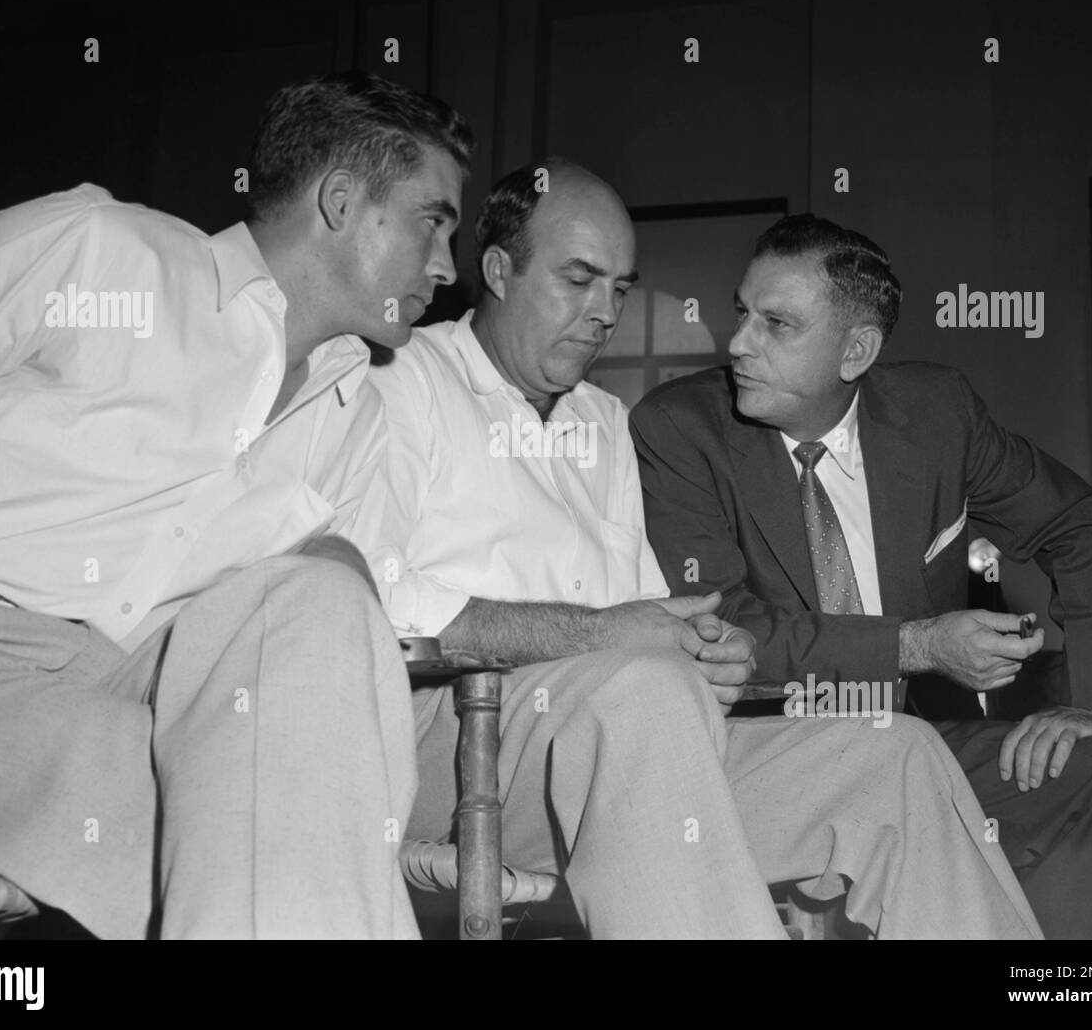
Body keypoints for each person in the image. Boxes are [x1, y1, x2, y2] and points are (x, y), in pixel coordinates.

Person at [348, 160, 1044, 940]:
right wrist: (607, 638)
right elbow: (372, 599)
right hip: (449, 751)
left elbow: (645, 617)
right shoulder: (395, 380)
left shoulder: (608, 421)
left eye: (619, 288)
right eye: (578, 280)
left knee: (894, 758)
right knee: (636, 692)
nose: (603, 313)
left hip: (621, 755)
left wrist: (699, 650)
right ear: (500, 270)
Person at [0, 70, 472, 938]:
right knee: (218, 792)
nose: (447, 266)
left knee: (312, 625)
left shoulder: (359, 419)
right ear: (343, 201)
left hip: (138, 691)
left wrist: (333, 572)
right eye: (435, 221)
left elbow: (345, 629)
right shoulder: (98, 251)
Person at [630, 212, 1092, 939]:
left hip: (920, 740)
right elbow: (733, 632)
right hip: (766, 758)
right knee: (903, 769)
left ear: (857, 350)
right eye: (742, 313)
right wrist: (920, 644)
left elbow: (1081, 526)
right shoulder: (679, 429)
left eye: (776, 324)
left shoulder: (937, 412)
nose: (737, 344)